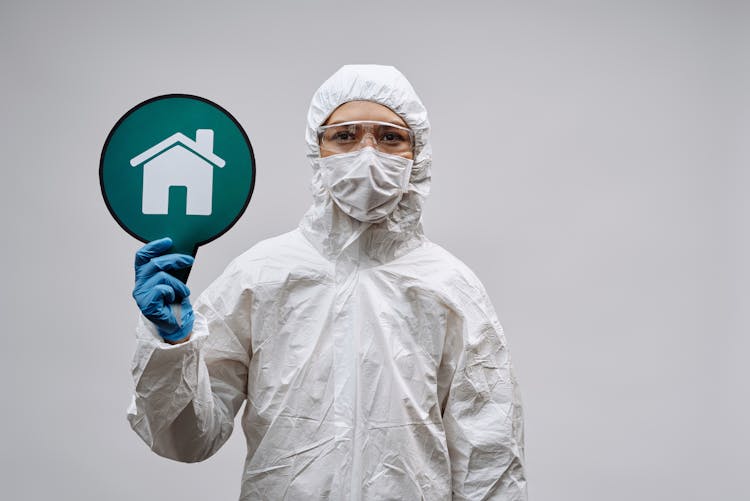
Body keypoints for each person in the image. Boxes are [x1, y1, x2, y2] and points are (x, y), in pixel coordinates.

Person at [128, 64, 527, 500]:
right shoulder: (261, 275)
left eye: (390, 137)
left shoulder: (450, 287)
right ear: (317, 150)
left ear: (418, 155)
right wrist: (173, 348)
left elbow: (489, 458)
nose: (367, 152)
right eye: (345, 136)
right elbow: (187, 438)